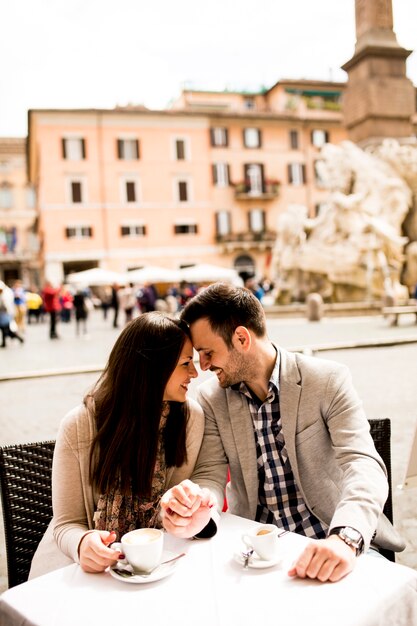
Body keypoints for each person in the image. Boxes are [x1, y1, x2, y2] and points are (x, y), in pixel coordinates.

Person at [160, 282, 405, 583]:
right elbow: (210, 473)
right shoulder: (211, 398)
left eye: (208, 352)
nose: (204, 366)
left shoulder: (327, 379)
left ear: (241, 338)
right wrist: (196, 505)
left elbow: (364, 465)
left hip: (333, 539)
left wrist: (345, 538)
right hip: (257, 551)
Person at [29, 312, 204, 579]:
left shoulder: (189, 419)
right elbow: (65, 524)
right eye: (186, 363)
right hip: (75, 574)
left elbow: (178, 504)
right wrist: (82, 543)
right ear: (153, 367)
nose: (195, 372)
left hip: (154, 566)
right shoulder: (79, 425)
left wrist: (180, 511)